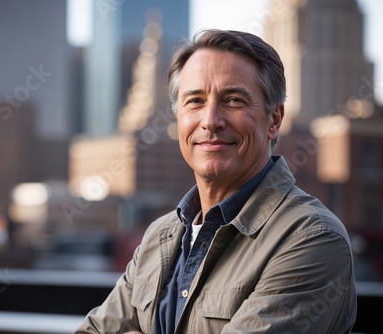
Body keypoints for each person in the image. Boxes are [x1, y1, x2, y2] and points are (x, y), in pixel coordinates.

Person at [75, 29, 357, 334]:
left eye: (233, 100)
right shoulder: (160, 236)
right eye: (194, 101)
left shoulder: (311, 238)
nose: (210, 120)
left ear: (274, 120)